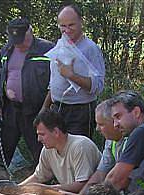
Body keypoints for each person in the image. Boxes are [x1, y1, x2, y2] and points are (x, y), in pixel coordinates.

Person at [0, 18, 54, 166]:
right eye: (15, 40)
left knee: (42, 153)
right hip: (10, 110)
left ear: (30, 31)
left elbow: (56, 83)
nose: (18, 44)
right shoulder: (6, 50)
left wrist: (45, 109)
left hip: (36, 111)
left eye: (21, 39)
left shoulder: (48, 50)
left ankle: (47, 184)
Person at [41, 4, 105, 138]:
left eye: (71, 25)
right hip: (57, 108)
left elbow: (98, 86)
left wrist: (71, 76)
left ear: (81, 22)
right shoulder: (60, 45)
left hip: (80, 111)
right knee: (56, 150)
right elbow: (53, 82)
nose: (67, 30)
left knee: (77, 152)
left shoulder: (90, 49)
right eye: (63, 26)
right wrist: (45, 108)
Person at [80, 100, 144, 195]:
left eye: (101, 124)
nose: (97, 129)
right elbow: (100, 174)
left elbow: (120, 180)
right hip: (130, 193)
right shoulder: (110, 141)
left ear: (114, 122)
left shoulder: (136, 139)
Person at [20, 109, 100, 193]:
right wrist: (16, 189)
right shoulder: (47, 150)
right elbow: (37, 177)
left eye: (42, 134)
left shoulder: (80, 146)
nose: (39, 139)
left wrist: (49, 188)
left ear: (56, 132)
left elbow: (82, 184)